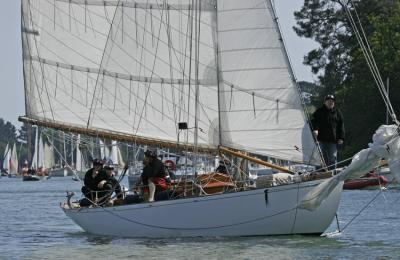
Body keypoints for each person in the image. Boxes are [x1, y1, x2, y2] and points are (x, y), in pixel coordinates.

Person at [311, 94, 345, 170]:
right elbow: (314, 121)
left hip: (333, 140)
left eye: (332, 101)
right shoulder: (319, 111)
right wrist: (315, 129)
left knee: (333, 158)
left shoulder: (337, 112)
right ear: (325, 102)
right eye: (329, 101)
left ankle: (333, 174)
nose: (331, 102)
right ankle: (318, 173)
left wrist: (341, 138)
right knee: (319, 158)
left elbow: (341, 125)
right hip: (320, 139)